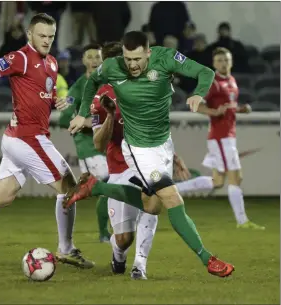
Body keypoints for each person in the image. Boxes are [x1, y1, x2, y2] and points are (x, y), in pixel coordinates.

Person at [65, 31, 235, 277]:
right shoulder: (112, 67)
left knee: (153, 205)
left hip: (163, 143)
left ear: (148, 52)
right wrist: (82, 113)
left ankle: (96, 187)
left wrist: (199, 92)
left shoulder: (165, 58)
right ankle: (208, 259)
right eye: (128, 59)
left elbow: (205, 72)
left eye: (137, 59)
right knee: (172, 198)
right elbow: (91, 82)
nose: (132, 65)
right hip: (138, 149)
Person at [0, 13, 94, 269]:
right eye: (42, 35)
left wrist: (58, 100)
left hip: (20, 139)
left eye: (51, 36)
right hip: (27, 138)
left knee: (2, 197)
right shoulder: (20, 57)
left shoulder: (53, 63)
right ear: (30, 35)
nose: (46, 40)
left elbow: (44, 92)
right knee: (68, 188)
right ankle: (66, 249)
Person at [175, 47, 265, 230]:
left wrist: (240, 109)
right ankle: (242, 222)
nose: (223, 63)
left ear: (231, 62)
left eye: (226, 60)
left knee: (217, 182)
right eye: (220, 61)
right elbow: (194, 103)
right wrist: (213, 111)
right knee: (236, 177)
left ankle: (174, 190)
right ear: (214, 63)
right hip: (220, 136)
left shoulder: (231, 80)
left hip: (227, 135)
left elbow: (227, 105)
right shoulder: (212, 82)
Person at [91, 42, 159, 279]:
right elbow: (99, 144)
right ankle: (118, 255)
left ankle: (140, 265)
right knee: (123, 238)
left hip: (147, 164)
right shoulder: (99, 95)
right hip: (120, 168)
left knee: (153, 203)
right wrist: (110, 114)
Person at [58, 44, 111, 243]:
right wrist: (86, 123)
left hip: (108, 143)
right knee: (108, 185)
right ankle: (104, 233)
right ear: (83, 61)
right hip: (89, 147)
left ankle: (80, 191)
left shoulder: (107, 83)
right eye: (90, 57)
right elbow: (64, 118)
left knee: (115, 185)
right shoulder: (78, 87)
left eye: (97, 56)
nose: (94, 60)